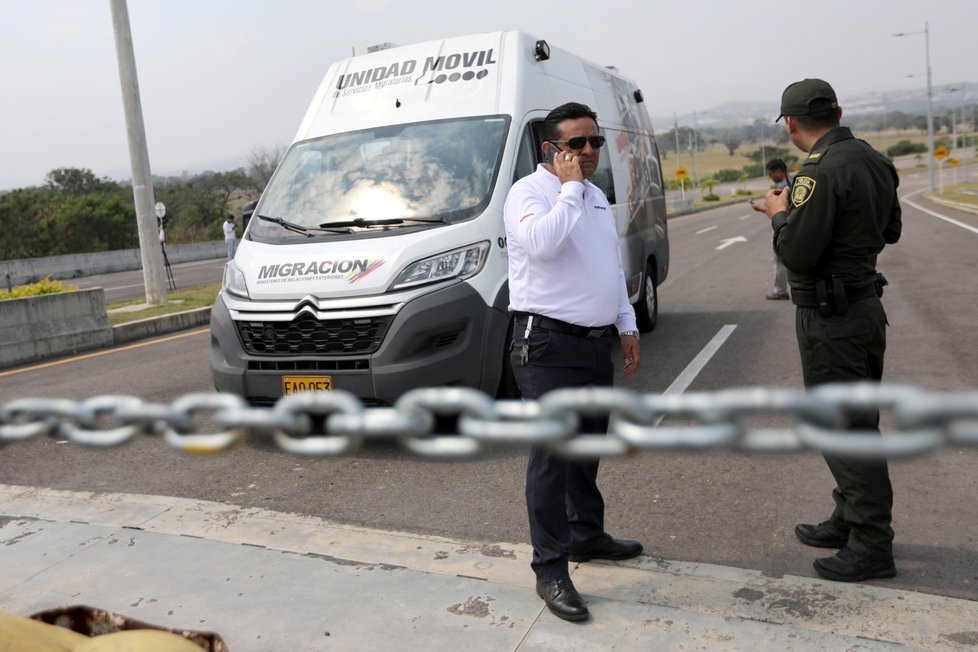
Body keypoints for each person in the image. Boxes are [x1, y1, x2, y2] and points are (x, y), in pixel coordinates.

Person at [503, 102, 643, 621]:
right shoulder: (528, 193)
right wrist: (567, 190)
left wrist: (626, 323)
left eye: (594, 143)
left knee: (585, 448)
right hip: (546, 346)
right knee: (552, 459)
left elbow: (609, 263)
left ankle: (586, 536)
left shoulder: (597, 195)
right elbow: (541, 246)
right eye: (575, 144)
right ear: (550, 150)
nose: (588, 152)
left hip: (592, 342)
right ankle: (550, 569)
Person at [758, 79, 902, 582]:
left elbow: (797, 253)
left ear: (792, 124)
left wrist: (780, 216)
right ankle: (848, 517)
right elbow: (890, 231)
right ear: (838, 112)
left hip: (830, 318)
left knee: (846, 429)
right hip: (863, 308)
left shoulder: (815, 172)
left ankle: (870, 544)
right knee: (854, 420)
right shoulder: (873, 160)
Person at [752, 159, 792, 300]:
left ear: (778, 171)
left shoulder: (780, 188)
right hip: (796, 226)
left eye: (771, 174)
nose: (771, 177)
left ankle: (780, 291)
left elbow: (777, 212)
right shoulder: (795, 181)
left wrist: (760, 208)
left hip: (783, 227)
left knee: (779, 260)